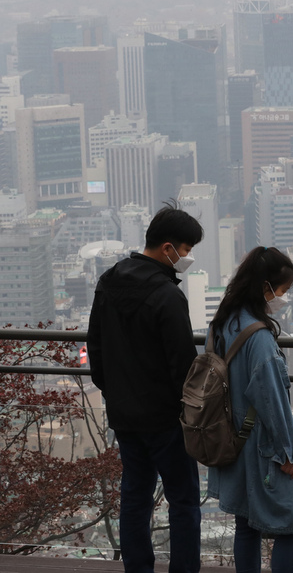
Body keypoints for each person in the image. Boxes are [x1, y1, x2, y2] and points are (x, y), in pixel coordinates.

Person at [87, 199, 205, 573]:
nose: (186, 257)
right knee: (183, 500)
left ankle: (138, 568)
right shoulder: (168, 296)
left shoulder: (108, 281)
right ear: (168, 247)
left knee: (134, 497)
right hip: (166, 419)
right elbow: (184, 365)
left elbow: (96, 349)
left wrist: (113, 394)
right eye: (185, 250)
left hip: (124, 415)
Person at [207, 246, 293, 573]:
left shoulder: (222, 324)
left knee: (246, 524)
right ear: (265, 287)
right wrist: (288, 452)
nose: (282, 297)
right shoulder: (260, 339)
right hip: (264, 446)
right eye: (281, 290)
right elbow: (273, 401)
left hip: (230, 439)